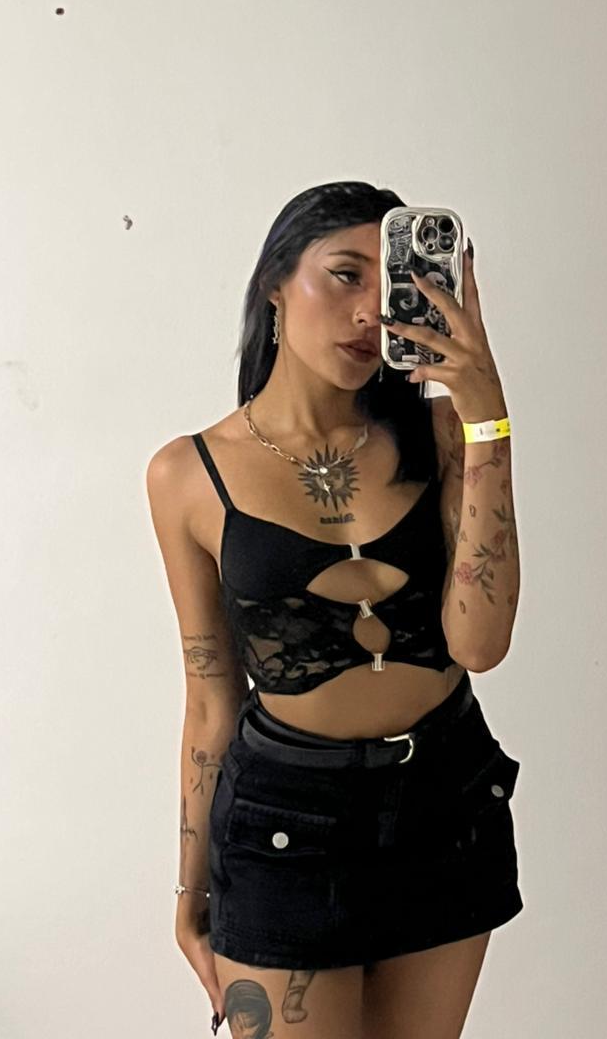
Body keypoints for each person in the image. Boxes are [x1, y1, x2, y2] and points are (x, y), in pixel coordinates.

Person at [146, 180, 521, 1038]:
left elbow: (480, 643)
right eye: (344, 275)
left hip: (446, 805)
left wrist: (487, 418)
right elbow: (211, 696)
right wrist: (190, 887)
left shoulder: (445, 436)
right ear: (275, 285)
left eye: (387, 286)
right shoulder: (188, 475)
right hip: (284, 829)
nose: (366, 314)